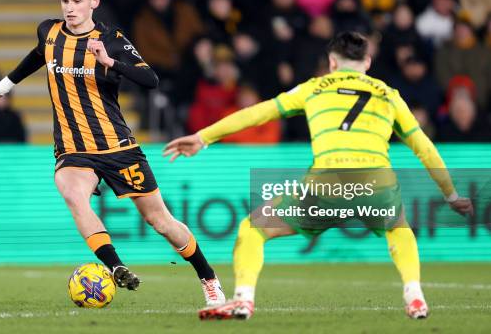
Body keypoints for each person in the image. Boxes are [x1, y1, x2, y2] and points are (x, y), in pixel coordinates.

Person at [164, 31, 473, 320]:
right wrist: (451, 194)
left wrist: (204, 137)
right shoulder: (388, 94)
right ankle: (414, 294)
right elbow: (425, 149)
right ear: (366, 63)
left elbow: (258, 113)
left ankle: (244, 298)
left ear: (332, 62)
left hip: (325, 185)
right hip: (376, 182)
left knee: (252, 229)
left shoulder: (314, 87)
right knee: (398, 228)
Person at [0, 0, 224, 305]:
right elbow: (38, 55)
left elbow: (150, 79)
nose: (69, 7)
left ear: (94, 1)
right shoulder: (49, 31)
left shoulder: (112, 40)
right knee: (73, 195)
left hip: (116, 145)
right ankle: (116, 266)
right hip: (72, 148)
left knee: (161, 221)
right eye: (65, 0)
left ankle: (208, 276)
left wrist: (111, 62)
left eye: (77, 1)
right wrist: (4, 86)